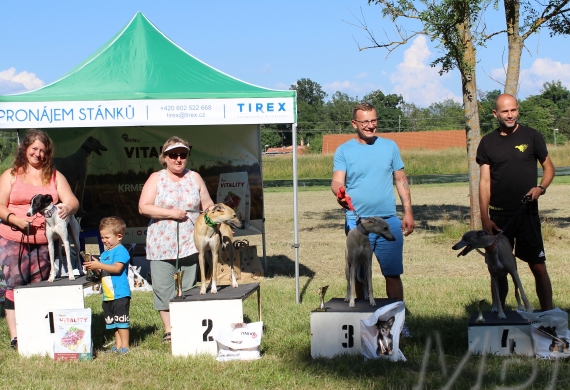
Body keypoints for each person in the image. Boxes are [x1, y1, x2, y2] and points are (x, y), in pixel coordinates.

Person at [0, 129, 79, 350]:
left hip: (45, 243)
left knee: (41, 288)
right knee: (15, 288)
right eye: (34, 149)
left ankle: (38, 332)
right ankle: (16, 337)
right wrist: (14, 219)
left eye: (43, 151)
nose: (38, 154)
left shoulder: (54, 176)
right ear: (25, 149)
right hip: (12, 240)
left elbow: (72, 200)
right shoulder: (11, 175)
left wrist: (67, 208)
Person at [477, 93, 555, 311]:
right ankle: (498, 314)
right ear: (495, 114)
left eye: (513, 110)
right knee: (498, 269)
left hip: (526, 214)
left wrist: (541, 188)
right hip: (499, 218)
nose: (510, 115)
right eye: (505, 111)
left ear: (518, 110)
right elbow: (484, 183)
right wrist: (485, 219)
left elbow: (549, 168)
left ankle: (547, 314)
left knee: (538, 267)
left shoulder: (532, 136)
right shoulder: (487, 143)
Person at [331, 103, 415, 304]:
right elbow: (337, 181)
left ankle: (398, 322)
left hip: (388, 221)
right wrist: (340, 194)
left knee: (392, 274)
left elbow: (401, 179)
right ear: (354, 124)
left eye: (373, 120)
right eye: (365, 121)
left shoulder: (390, 146)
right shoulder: (344, 150)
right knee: (359, 274)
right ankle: (364, 319)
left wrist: (408, 212)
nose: (370, 125)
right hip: (358, 223)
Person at [139, 136, 214, 343]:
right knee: (163, 287)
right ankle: (169, 330)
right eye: (173, 155)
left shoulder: (195, 177)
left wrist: (217, 218)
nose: (178, 159)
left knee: (188, 286)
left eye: (183, 155)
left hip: (191, 242)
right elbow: (144, 206)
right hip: (161, 243)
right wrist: (171, 213)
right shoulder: (156, 177)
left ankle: (188, 325)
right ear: (164, 157)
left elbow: (207, 205)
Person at [83, 216, 131, 354]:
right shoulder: (104, 254)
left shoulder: (121, 251)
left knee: (121, 320)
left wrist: (99, 264)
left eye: (107, 237)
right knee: (112, 322)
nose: (104, 240)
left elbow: (117, 269)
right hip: (108, 294)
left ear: (119, 236)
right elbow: (101, 273)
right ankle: (118, 344)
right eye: (102, 237)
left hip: (120, 293)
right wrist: (94, 267)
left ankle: (125, 346)